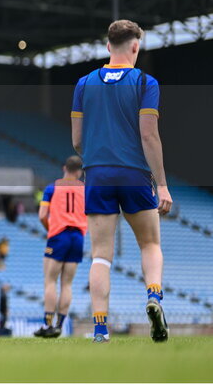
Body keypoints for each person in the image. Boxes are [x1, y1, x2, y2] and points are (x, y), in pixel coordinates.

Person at [71, 19, 172, 343]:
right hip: (135, 174)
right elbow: (149, 135)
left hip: (98, 173)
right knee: (150, 244)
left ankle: (100, 329)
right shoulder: (145, 82)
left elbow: (76, 140)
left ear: (107, 47)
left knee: (100, 254)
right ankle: (153, 296)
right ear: (135, 46)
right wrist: (162, 184)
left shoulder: (84, 84)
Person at [34, 155, 87, 339]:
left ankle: (47, 325)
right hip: (78, 237)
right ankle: (59, 325)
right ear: (80, 171)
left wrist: (51, 231)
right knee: (67, 284)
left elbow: (42, 215)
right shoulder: (85, 190)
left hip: (58, 235)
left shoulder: (52, 188)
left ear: (65, 168)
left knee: (50, 281)